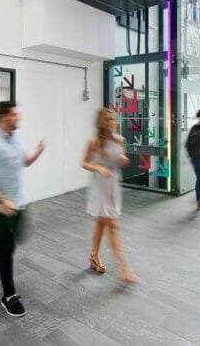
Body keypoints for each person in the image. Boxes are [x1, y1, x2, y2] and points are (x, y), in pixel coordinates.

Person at [0, 101, 45, 317]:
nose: (18, 118)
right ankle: (9, 296)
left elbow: (25, 161)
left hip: (19, 201)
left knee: (18, 237)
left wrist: (39, 150)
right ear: (4, 117)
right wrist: (1, 200)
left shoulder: (17, 137)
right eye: (15, 115)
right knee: (8, 245)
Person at [81, 108, 138, 283]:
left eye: (112, 120)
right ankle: (124, 268)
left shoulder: (120, 140)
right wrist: (98, 167)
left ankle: (93, 255)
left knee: (101, 222)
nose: (111, 123)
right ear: (100, 122)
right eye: (107, 120)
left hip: (113, 185)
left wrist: (122, 161)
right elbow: (84, 162)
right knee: (112, 225)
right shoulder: (93, 142)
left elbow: (119, 160)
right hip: (99, 186)